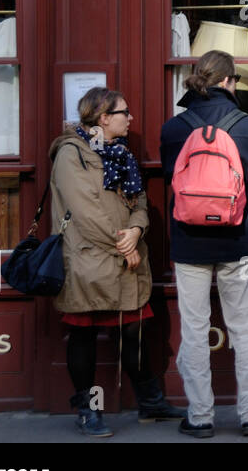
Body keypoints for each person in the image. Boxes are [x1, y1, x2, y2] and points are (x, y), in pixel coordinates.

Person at [160, 50, 248, 438]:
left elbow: (173, 177)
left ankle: (200, 417)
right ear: (229, 81)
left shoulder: (172, 128)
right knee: (245, 330)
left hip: (188, 244)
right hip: (236, 242)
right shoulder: (247, 126)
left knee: (195, 331)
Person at [50, 87, 184, 437]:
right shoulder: (70, 154)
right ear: (103, 117)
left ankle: (150, 402)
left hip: (127, 261)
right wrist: (125, 246)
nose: (131, 118)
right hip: (88, 261)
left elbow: (139, 201)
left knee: (134, 333)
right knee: (84, 337)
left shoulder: (121, 154)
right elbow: (85, 213)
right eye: (125, 112)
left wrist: (138, 229)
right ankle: (88, 410)